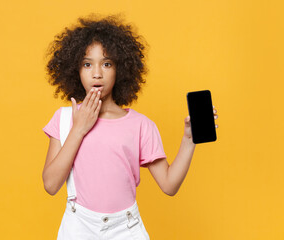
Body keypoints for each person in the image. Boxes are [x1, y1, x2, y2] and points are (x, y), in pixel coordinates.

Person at [42, 14, 219, 240]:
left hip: (125, 230)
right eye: (87, 64)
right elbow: (50, 184)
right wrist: (79, 128)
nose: (97, 73)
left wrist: (189, 139)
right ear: (75, 70)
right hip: (78, 227)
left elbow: (169, 185)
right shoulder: (65, 119)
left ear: (121, 69)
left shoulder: (140, 125)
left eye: (107, 64)